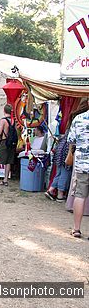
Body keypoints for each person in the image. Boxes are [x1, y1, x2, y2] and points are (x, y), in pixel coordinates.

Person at [68, 99, 89, 239]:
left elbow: (71, 139)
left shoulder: (79, 118)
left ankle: (76, 229)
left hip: (82, 164)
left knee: (80, 196)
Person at [44, 131, 71, 202]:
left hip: (59, 153)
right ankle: (60, 195)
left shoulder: (67, 132)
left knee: (58, 174)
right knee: (64, 175)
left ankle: (50, 190)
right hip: (66, 154)